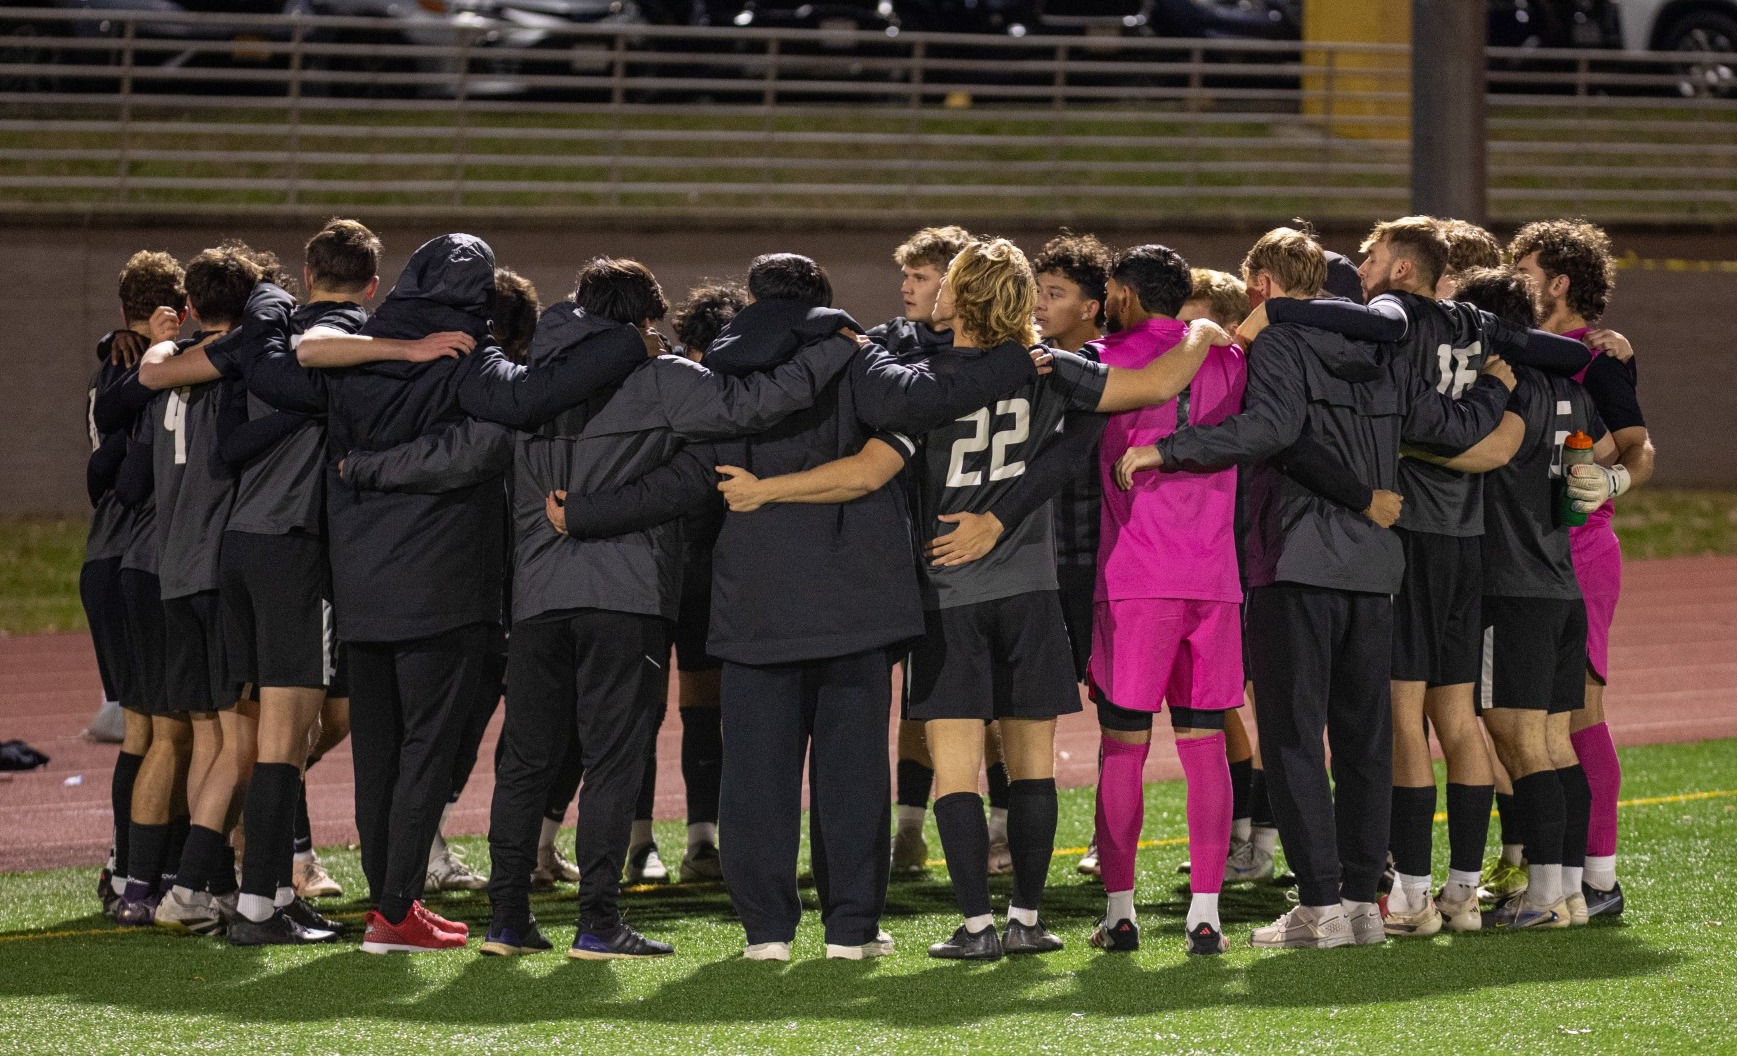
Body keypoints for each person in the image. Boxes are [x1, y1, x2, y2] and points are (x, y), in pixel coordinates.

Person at [1139, 225, 1516, 949]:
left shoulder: (1278, 344)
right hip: (1375, 567)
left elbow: (1271, 431)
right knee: (1364, 738)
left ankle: (1319, 907)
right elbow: (1440, 426)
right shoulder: (1384, 351)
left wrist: (1168, 449)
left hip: (1295, 558)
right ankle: (1363, 902)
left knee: (1290, 736)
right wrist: (1499, 384)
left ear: (1260, 287)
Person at [292, 233, 648, 954]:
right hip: (442, 578)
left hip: (360, 580)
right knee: (427, 748)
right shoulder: (464, 353)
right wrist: (627, 344)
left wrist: (365, 468)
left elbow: (303, 370)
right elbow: (526, 406)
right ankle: (395, 911)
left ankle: (388, 906)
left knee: (380, 754)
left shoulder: (360, 346)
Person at [1256, 216, 1601, 938]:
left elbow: (1434, 418)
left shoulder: (1396, 317)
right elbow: (1564, 416)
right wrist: (1598, 356)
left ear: (1403, 271)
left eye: (1374, 257)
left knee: (1403, 720)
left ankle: (1411, 895)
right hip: (1476, 547)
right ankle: (1480, 890)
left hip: (1414, 536)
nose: (1364, 266)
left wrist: (1275, 311)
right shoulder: (1482, 331)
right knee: (1464, 718)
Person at [137, 222, 383, 943]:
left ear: (308, 274)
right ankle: (255, 905)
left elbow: (234, 440)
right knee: (280, 737)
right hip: (288, 548)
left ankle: (256, 886)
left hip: (236, 548)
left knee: (251, 735)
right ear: (371, 288)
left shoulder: (263, 340)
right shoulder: (340, 349)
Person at [1423, 264, 1616, 928]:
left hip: (1511, 586)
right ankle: (1564, 893)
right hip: (1558, 579)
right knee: (1553, 741)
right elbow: (1579, 487)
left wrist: (1406, 446)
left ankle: (1540, 892)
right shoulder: (1570, 389)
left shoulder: (1507, 387)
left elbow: (1484, 451)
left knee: (1515, 736)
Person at [1085, 246, 1246, 957]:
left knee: (1122, 746)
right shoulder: (1229, 360)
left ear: (1120, 291)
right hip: (1212, 578)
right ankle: (1204, 913)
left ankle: (1120, 911)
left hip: (1134, 578)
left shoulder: (1100, 356)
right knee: (1204, 746)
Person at [1510, 219, 1653, 918]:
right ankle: (1549, 871)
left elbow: (1637, 448)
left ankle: (1597, 880)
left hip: (1579, 549)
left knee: (1577, 712)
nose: (1516, 281)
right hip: (1523, 548)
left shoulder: (1595, 359)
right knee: (1522, 714)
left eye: (1526, 270)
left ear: (1558, 281)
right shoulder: (1528, 346)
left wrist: (1612, 482)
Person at [869, 224, 976, 877]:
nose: (906, 288)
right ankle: (905, 828)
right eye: (905, 276)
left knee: (958, 690)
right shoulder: (886, 344)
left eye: (921, 277)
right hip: (897, 534)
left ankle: (982, 828)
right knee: (903, 688)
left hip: (966, 537)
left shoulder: (998, 349)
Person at [86, 251, 183, 917]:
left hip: (110, 560)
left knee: (149, 729)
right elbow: (115, 477)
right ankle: (147, 870)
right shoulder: (150, 371)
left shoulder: (117, 364)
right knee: (164, 728)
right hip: (145, 559)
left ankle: (133, 869)